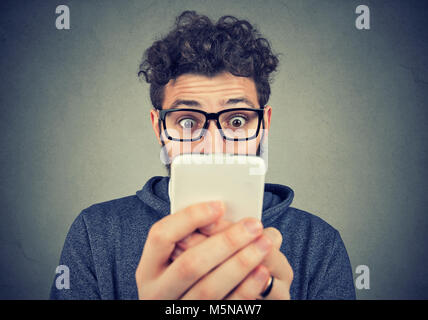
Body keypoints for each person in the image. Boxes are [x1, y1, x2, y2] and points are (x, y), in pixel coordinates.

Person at [50, 11, 356, 300]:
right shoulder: (96, 232)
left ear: (265, 125)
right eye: (187, 121)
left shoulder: (320, 244)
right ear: (159, 128)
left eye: (237, 121)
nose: (212, 146)